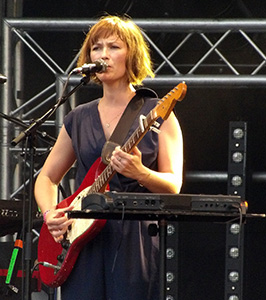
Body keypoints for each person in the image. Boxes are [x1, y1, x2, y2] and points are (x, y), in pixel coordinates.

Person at [34, 14, 183, 300]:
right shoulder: (78, 117)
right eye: (96, 47)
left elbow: (173, 185)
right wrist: (49, 213)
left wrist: (141, 172)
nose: (103, 54)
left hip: (134, 238)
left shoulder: (158, 112)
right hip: (81, 235)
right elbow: (47, 177)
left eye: (114, 47)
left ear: (132, 55)